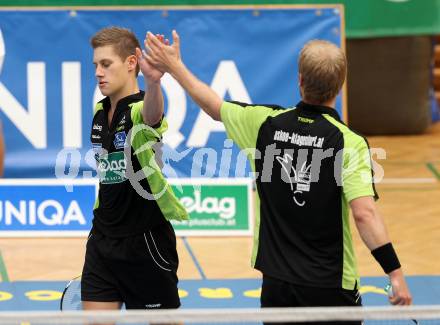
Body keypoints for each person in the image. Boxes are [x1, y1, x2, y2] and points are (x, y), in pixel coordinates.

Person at [144, 31, 412, 322]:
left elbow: (213, 106)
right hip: (331, 286)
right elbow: (364, 214)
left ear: (299, 80)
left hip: (277, 286)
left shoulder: (264, 124)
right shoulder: (349, 142)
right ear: (341, 83)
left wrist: (174, 66)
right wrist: (394, 272)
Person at [82, 26, 188, 316]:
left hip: (145, 242)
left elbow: (152, 116)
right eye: (96, 65)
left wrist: (154, 84)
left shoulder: (141, 109)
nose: (98, 72)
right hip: (102, 239)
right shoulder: (99, 112)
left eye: (106, 64)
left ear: (131, 63)